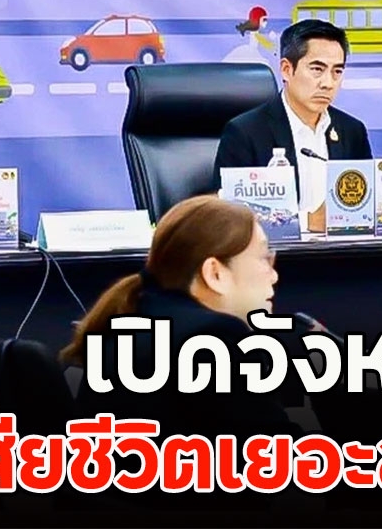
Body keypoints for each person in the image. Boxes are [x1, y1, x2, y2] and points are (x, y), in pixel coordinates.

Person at [61, 195, 305, 515]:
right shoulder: (214, 339)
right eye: (263, 258)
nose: (274, 276)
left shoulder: (129, 320)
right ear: (215, 273)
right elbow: (283, 463)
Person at [213, 19, 373, 229]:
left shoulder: (352, 131)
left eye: (337, 71)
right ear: (287, 70)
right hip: (273, 249)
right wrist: (309, 222)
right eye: (317, 69)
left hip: (345, 247)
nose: (328, 83)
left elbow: (364, 207)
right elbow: (229, 219)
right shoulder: (245, 132)